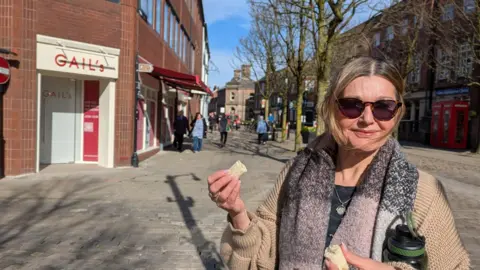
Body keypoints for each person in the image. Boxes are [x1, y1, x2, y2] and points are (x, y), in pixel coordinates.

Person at [207, 57, 470, 269]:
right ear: (332, 108)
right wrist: (238, 213)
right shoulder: (295, 172)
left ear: (397, 112)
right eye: (352, 105)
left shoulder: (423, 192)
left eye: (383, 107)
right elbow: (257, 256)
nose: (367, 118)